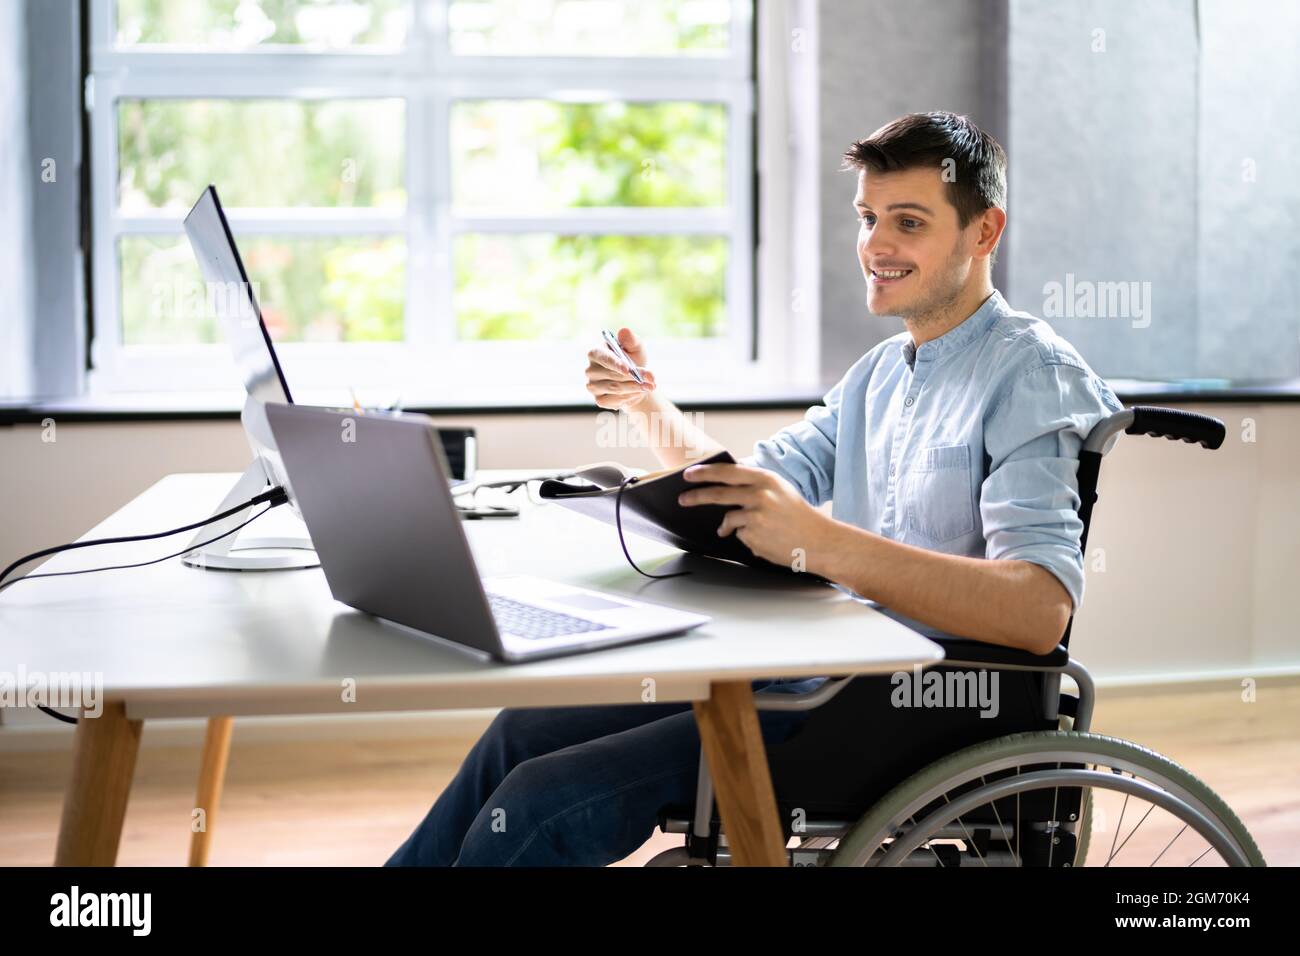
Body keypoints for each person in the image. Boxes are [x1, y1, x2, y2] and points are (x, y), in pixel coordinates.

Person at [386, 111, 1122, 867]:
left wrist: (822, 543)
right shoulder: (878, 374)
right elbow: (752, 488)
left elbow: (1037, 611)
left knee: (541, 802)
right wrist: (646, 405)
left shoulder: (1031, 374)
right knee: (519, 731)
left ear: (983, 232)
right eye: (868, 218)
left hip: (906, 711)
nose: (875, 245)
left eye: (908, 222)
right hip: (817, 673)